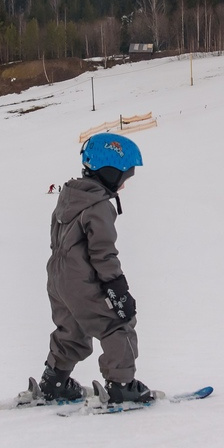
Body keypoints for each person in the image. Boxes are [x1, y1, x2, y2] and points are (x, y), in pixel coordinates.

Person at [36, 132, 151, 404]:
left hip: (58, 279)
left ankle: (55, 381)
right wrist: (117, 288)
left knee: (71, 330)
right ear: (109, 172)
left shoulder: (70, 197)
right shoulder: (98, 207)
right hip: (83, 279)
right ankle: (121, 385)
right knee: (118, 323)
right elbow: (103, 252)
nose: (123, 186)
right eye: (123, 177)